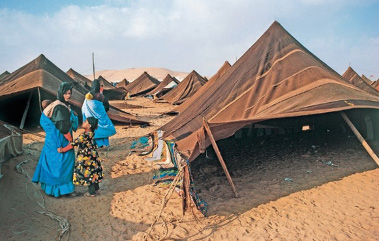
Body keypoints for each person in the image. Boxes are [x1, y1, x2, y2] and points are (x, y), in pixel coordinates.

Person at [32, 82, 79, 197]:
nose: (68, 96)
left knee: (53, 163)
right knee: (63, 163)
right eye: (66, 93)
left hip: (51, 140)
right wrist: (70, 142)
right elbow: (63, 128)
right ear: (61, 93)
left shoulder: (58, 104)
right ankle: (63, 190)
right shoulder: (59, 107)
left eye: (70, 93)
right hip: (60, 140)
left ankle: (51, 189)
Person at [58, 117, 103, 197]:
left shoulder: (84, 135)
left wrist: (63, 150)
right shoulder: (91, 133)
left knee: (89, 174)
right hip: (92, 156)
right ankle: (96, 189)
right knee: (94, 172)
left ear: (89, 125)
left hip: (86, 158)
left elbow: (74, 144)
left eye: (85, 121)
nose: (83, 122)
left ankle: (91, 192)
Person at [81, 79, 116, 147]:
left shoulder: (88, 96)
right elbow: (107, 106)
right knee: (102, 130)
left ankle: (95, 144)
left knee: (94, 130)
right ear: (98, 87)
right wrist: (102, 112)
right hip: (101, 117)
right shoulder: (100, 96)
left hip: (91, 118)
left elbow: (84, 108)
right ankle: (103, 144)